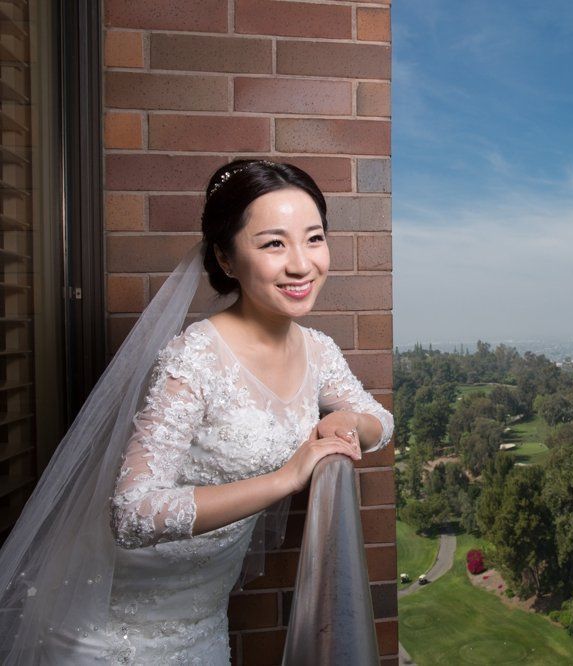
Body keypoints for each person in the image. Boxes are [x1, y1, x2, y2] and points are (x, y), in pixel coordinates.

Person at [0, 160, 393, 663]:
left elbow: (379, 419)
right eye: (274, 243)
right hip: (117, 624)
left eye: (314, 238)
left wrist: (348, 422)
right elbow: (132, 512)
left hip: (203, 620)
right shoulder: (195, 358)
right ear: (226, 260)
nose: (301, 264)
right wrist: (289, 476)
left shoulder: (318, 350)